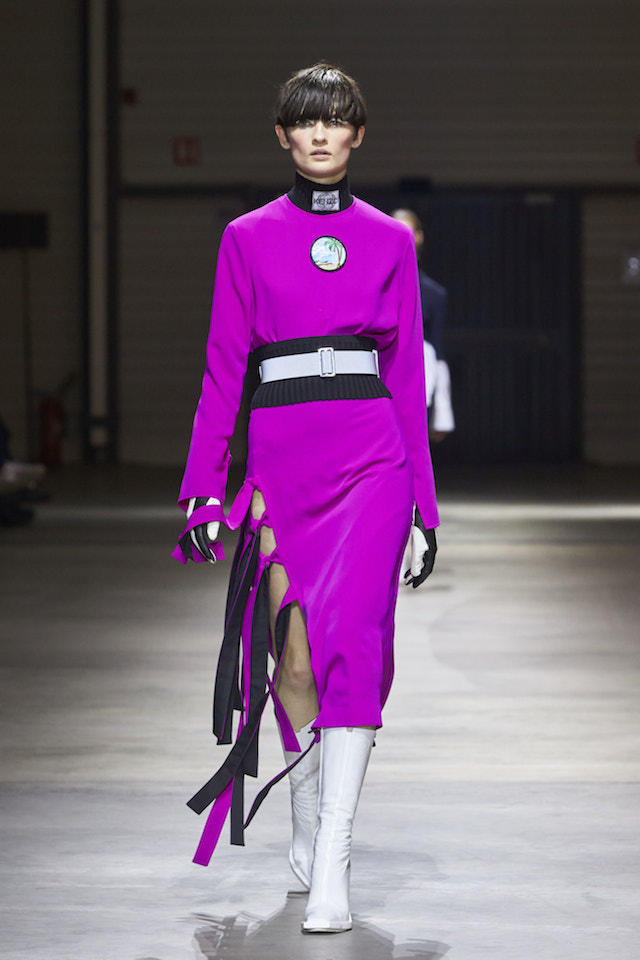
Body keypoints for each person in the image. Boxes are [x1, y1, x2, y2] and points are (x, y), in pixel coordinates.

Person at [173, 63, 439, 934]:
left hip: (371, 459)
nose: (321, 134)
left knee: (354, 643)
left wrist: (423, 507)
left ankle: (334, 857)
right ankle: (304, 812)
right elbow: (223, 370)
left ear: (357, 134)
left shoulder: (389, 241)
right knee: (292, 664)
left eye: (336, 120)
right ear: (284, 135)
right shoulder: (246, 237)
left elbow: (406, 381)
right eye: (306, 121)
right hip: (281, 465)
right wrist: (202, 489)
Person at [390, 209, 455, 441]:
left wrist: (443, 411)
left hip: (419, 382)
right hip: (378, 380)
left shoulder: (434, 294)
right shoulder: (373, 287)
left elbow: (437, 349)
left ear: (419, 236)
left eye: (407, 231)